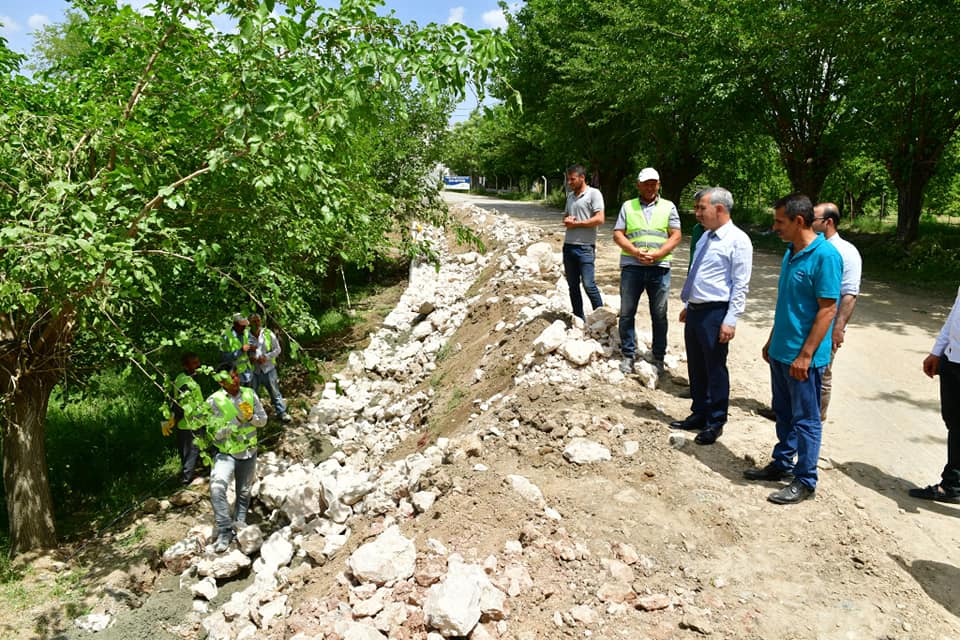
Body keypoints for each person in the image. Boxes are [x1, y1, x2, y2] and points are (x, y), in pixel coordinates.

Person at [743, 194, 842, 504]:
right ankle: (782, 463)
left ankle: (806, 479)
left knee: (806, 419)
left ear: (799, 221)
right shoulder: (790, 252)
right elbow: (788, 304)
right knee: (783, 413)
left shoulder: (825, 256)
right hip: (782, 352)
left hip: (804, 360)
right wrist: (773, 340)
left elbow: (827, 310)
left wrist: (806, 354)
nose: (775, 227)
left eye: (779, 222)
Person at [669, 188, 753, 445]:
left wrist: (730, 319)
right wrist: (690, 303)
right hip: (696, 310)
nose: (697, 213)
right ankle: (699, 411)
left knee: (714, 367)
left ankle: (716, 420)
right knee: (696, 364)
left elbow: (740, 285)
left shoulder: (738, 240)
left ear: (719, 209)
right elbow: (700, 273)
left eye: (701, 208)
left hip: (716, 312)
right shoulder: (706, 237)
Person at [612, 167, 682, 373]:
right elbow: (618, 234)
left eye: (654, 183)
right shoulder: (628, 206)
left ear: (659, 184)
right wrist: (634, 252)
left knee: (659, 314)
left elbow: (676, 235)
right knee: (627, 312)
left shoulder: (669, 207)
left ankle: (658, 356)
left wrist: (659, 253)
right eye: (646, 183)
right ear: (638, 185)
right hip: (632, 267)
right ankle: (628, 354)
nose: (650, 187)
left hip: (659, 268)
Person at [206, 363, 267, 552]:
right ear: (221, 383)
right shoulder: (213, 401)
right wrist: (236, 422)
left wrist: (251, 418)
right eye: (229, 379)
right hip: (226, 453)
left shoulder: (249, 394)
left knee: (243, 492)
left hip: (249, 451)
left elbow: (263, 420)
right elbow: (212, 434)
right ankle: (225, 530)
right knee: (217, 488)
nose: (235, 380)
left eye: (236, 376)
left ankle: (239, 523)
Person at [810, 203, 862, 421]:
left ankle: (815, 419)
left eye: (814, 218)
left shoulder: (846, 252)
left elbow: (849, 294)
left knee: (822, 373)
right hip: (806, 321)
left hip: (828, 324)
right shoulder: (812, 247)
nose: (809, 221)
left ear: (828, 222)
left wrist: (838, 329)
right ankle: (791, 412)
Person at [909, 286, 960, 503]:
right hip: (953, 360)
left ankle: (952, 484)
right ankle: (952, 484)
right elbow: (955, 314)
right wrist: (938, 350)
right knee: (955, 424)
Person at [562, 164, 605, 321]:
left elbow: (600, 219)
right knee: (573, 286)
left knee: (589, 285)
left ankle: (601, 318)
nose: (570, 182)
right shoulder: (570, 197)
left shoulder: (594, 194)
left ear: (582, 178)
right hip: (569, 247)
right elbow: (566, 217)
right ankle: (579, 318)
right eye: (568, 180)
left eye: (572, 179)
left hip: (585, 247)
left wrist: (577, 224)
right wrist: (567, 220)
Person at [167, 352, 205, 485]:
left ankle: (192, 472)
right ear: (185, 366)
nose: (198, 365)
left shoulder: (181, 377)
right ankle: (185, 480)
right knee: (192, 451)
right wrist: (174, 420)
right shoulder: (186, 383)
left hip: (189, 423)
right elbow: (181, 406)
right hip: (190, 424)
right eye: (194, 363)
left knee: (187, 451)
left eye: (198, 362)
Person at [248, 313, 292, 423]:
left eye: (258, 320)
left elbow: (278, 349)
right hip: (254, 370)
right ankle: (254, 417)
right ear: (249, 323)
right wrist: (250, 358)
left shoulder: (268, 334)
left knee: (275, 392)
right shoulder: (246, 336)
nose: (257, 323)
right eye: (254, 321)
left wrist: (266, 357)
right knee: (252, 394)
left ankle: (282, 413)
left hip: (268, 369)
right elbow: (243, 352)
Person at [220, 312, 255, 387]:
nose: (244, 327)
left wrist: (252, 349)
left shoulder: (246, 332)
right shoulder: (226, 337)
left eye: (245, 325)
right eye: (242, 325)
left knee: (249, 394)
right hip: (235, 373)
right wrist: (241, 351)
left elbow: (252, 343)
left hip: (248, 371)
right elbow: (224, 357)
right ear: (235, 324)